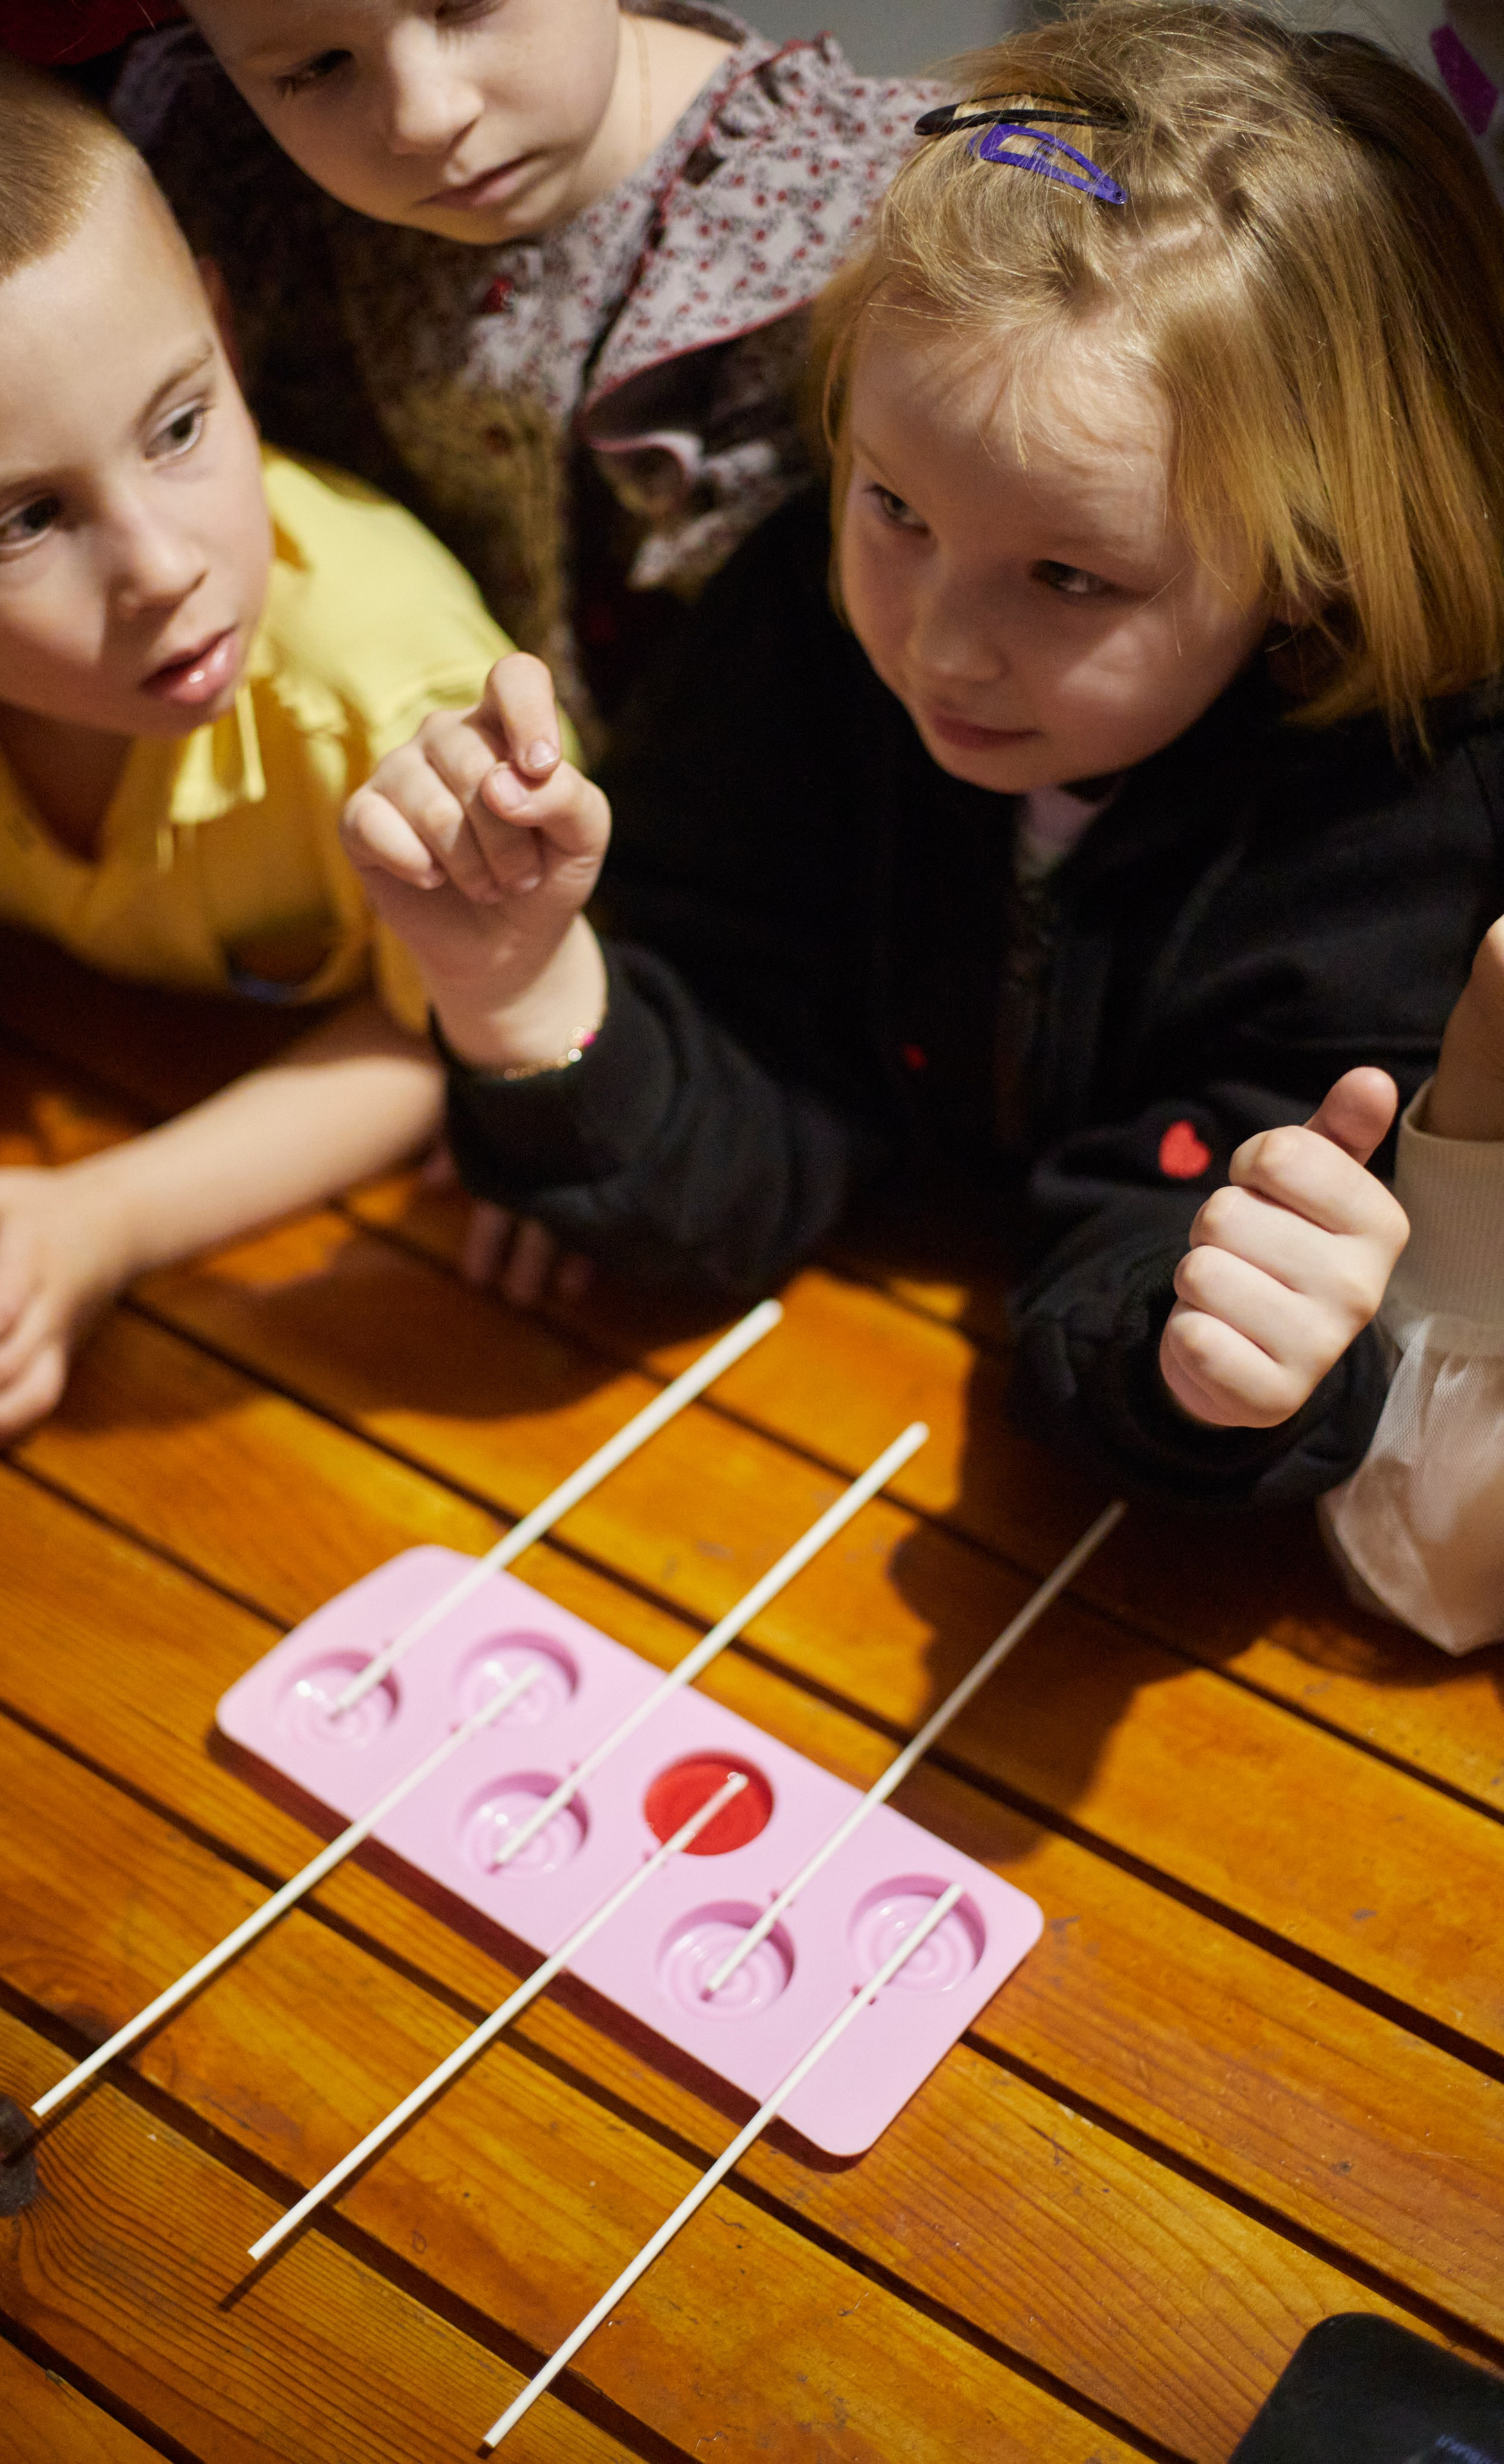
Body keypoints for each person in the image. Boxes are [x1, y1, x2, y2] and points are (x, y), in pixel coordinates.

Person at [338, 0, 1504, 1640]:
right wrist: (532, 1002)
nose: (938, 646)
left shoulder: (1387, 822)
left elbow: (1189, 1250)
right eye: (890, 505)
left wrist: (1209, 1364)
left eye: (1066, 578)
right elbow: (749, 1093)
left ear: (1308, 560)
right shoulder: (796, 625)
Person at [0, 38, 524, 1455]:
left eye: (178, 425)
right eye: (26, 521)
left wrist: (107, 1221)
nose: (163, 566)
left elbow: (445, 1036)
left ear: (224, 340)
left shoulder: (387, 695)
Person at [0, 0, 939, 726]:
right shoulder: (212, 156)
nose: (424, 117)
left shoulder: (879, 230)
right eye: (317, 69)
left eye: (466, 2)